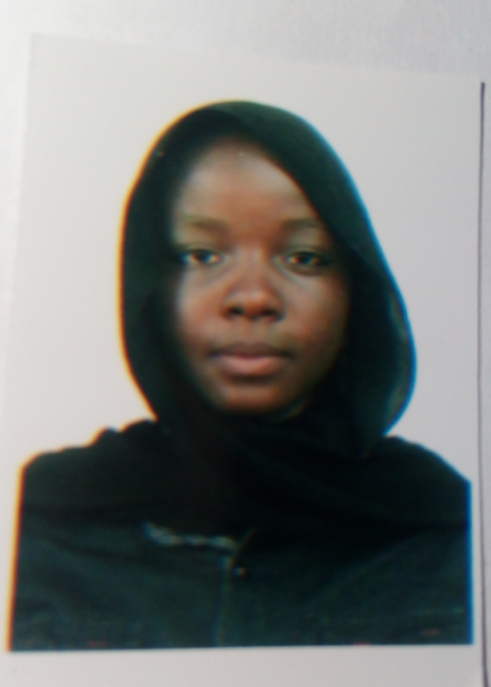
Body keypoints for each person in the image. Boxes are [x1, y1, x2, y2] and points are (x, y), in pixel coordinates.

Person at [11, 101, 471, 650]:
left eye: (303, 258)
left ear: (357, 292)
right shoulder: (41, 523)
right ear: (149, 283)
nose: (252, 297)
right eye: (202, 255)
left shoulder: (449, 534)